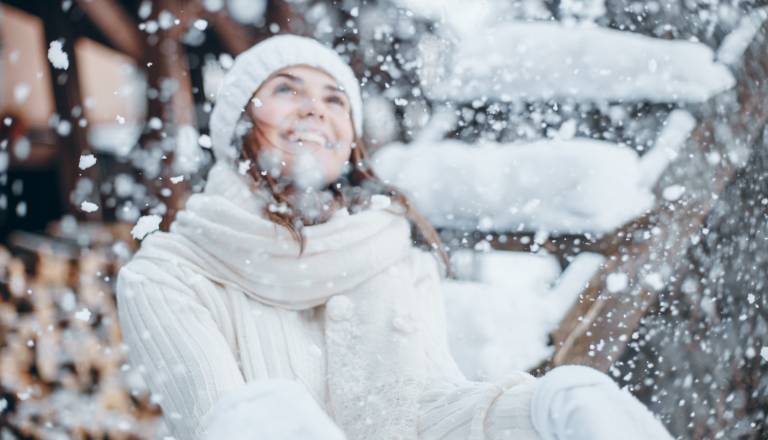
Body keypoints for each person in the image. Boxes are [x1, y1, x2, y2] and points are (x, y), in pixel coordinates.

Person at [116, 34, 673, 440]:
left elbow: (423, 414)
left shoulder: (392, 258)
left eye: (336, 99)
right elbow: (225, 425)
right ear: (238, 123)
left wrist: (540, 409)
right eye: (286, 89)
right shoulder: (167, 275)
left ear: (350, 142)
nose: (316, 107)